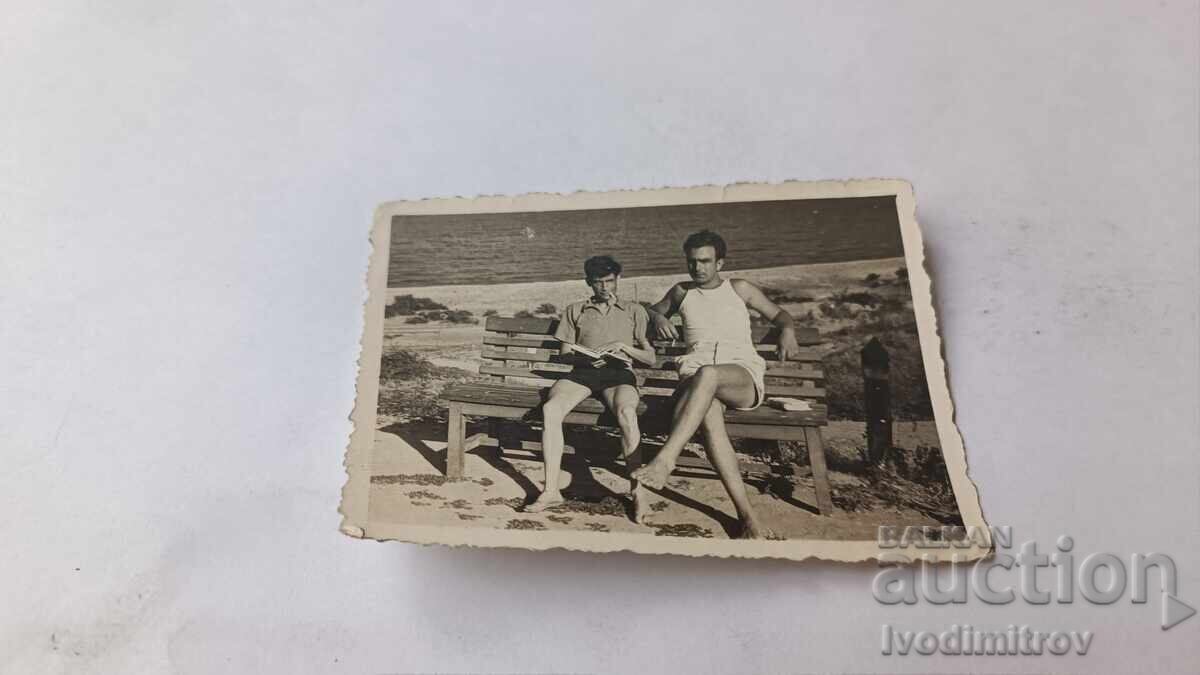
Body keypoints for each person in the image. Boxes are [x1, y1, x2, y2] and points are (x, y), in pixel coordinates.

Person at [631, 230, 802, 539]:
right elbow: (652, 310)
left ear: (720, 263)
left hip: (739, 377)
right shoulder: (682, 292)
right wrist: (658, 317)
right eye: (692, 262)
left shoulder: (739, 289)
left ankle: (665, 459)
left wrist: (787, 330)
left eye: (706, 261)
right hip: (695, 378)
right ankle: (748, 518)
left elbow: (780, 315)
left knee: (709, 374)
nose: (698, 268)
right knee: (709, 416)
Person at [525, 255, 658, 522]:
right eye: (598, 283)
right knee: (551, 409)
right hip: (583, 373)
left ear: (618, 279)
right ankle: (551, 491)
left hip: (619, 374)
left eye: (609, 281)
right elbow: (564, 353)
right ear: (589, 283)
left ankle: (639, 494)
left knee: (627, 414)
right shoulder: (576, 310)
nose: (605, 288)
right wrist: (585, 355)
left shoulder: (634, 310)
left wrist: (623, 347)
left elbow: (650, 358)